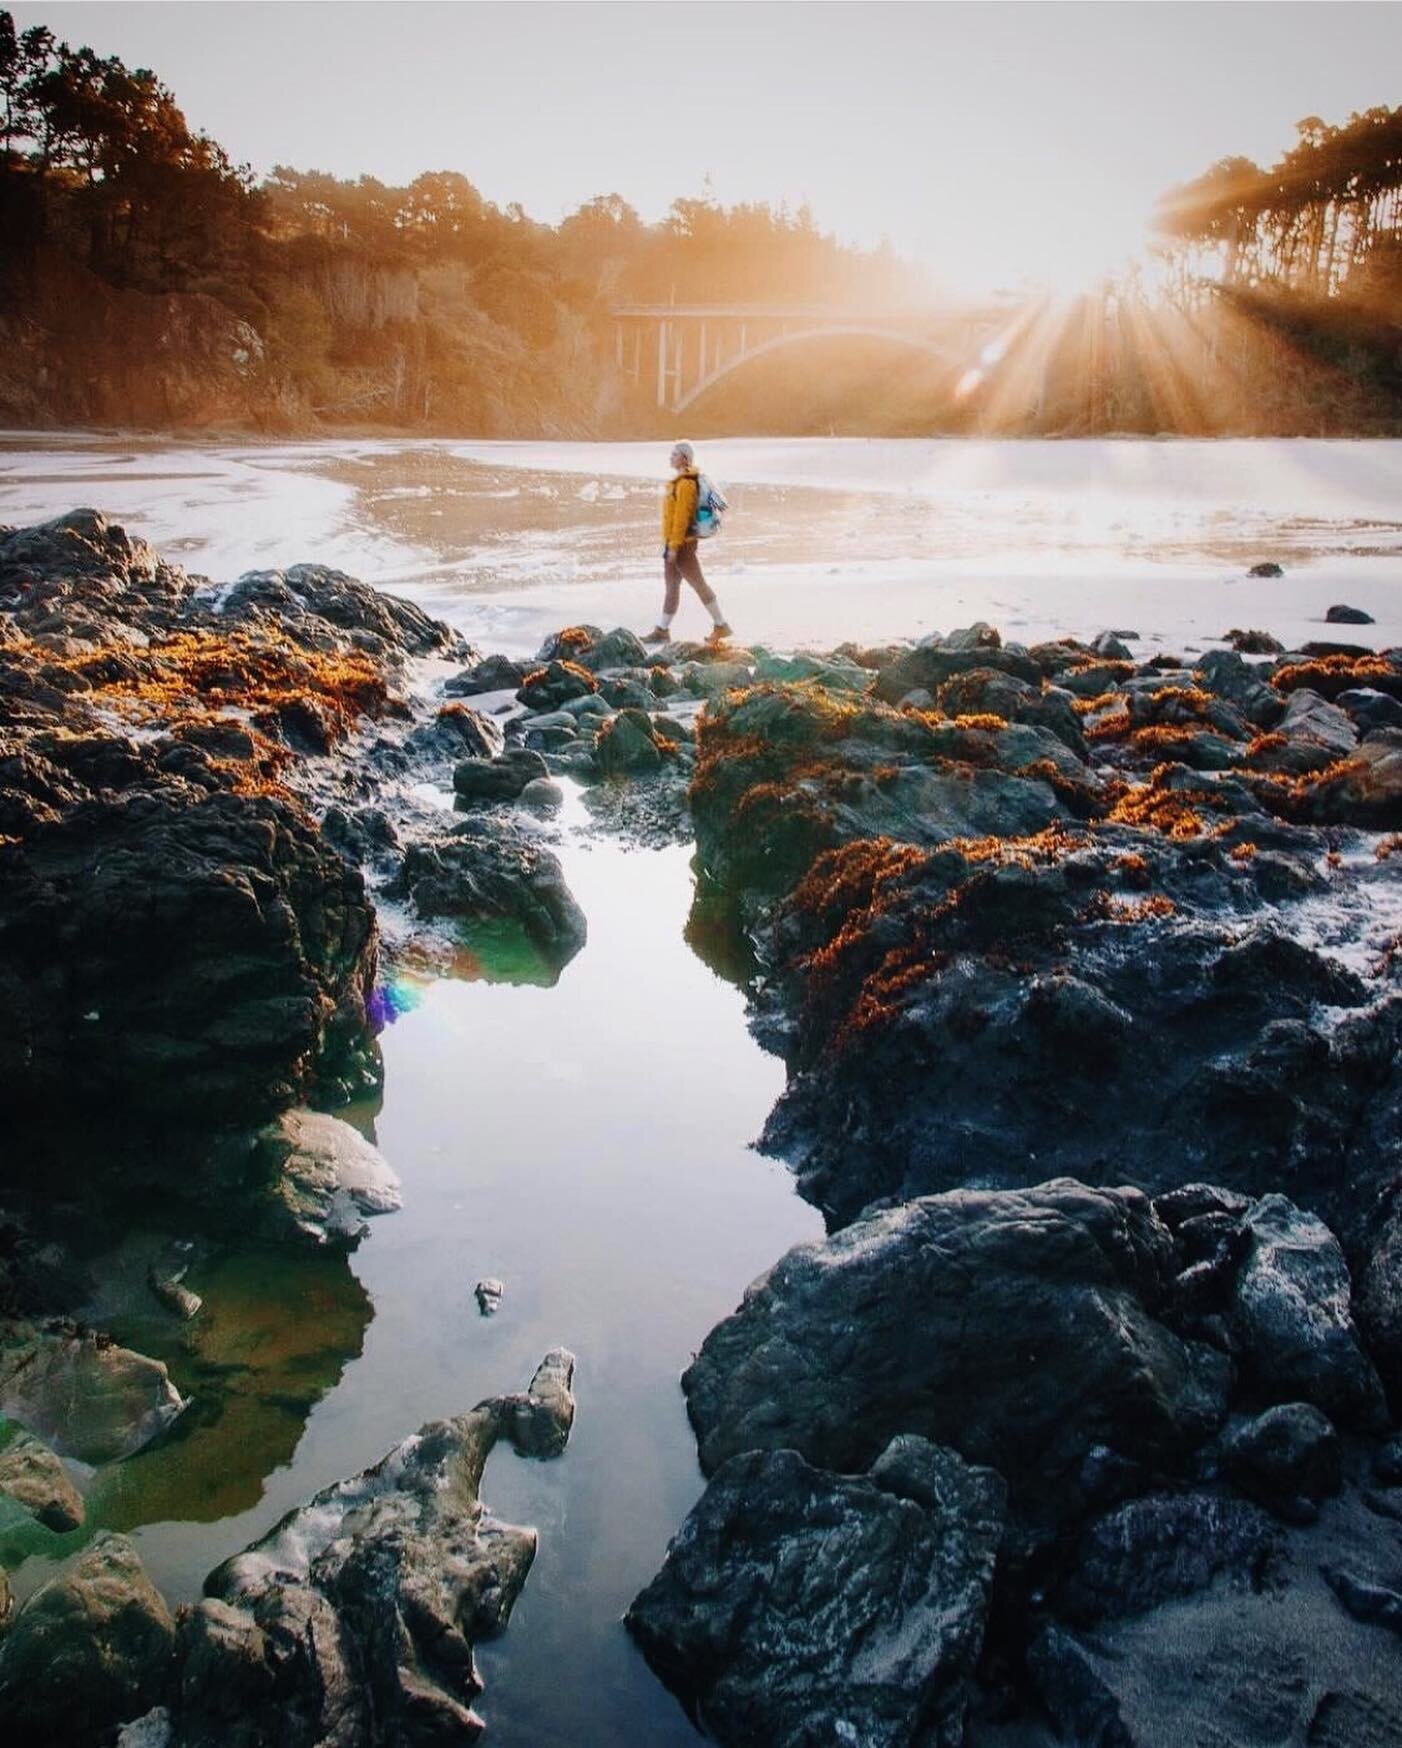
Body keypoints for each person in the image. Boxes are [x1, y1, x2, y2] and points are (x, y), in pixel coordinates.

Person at [642, 441, 733, 646]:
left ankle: (721, 624)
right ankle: (662, 631)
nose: (670, 457)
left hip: (681, 545)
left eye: (674, 454)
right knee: (672, 587)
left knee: (698, 584)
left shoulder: (686, 484)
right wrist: (669, 546)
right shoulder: (679, 482)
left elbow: (681, 519)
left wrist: (674, 547)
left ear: (684, 458)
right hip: (673, 544)